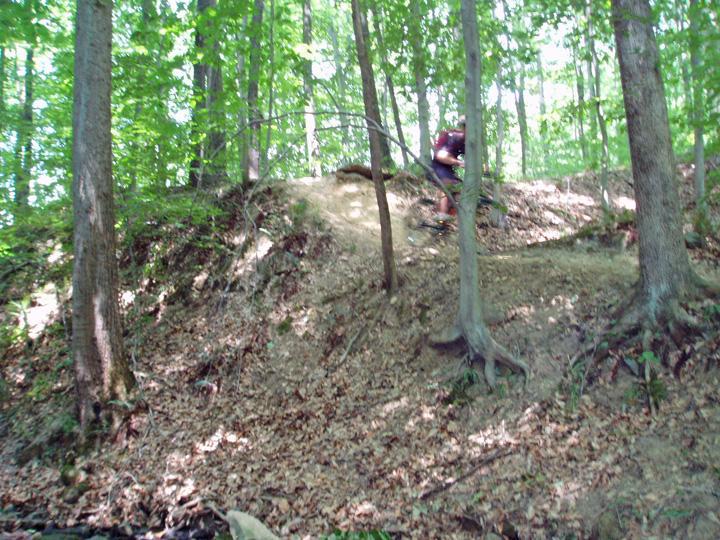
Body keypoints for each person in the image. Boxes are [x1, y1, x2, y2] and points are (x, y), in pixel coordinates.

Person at [430, 117, 466, 221]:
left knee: (460, 188)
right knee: (447, 184)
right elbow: (440, 156)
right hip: (438, 166)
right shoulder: (453, 137)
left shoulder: (466, 143)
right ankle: (442, 214)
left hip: (449, 169)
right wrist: (458, 162)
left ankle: (451, 219)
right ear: (464, 128)